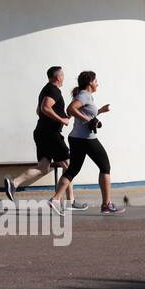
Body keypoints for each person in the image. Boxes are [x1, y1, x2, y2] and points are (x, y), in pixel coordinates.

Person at [4, 66, 86, 209]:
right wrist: (61, 120)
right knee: (69, 165)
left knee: (43, 167)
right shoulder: (53, 90)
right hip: (51, 134)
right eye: (62, 75)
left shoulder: (46, 89)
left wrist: (59, 117)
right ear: (57, 77)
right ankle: (70, 202)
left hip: (42, 131)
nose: (64, 78)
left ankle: (14, 183)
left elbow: (39, 110)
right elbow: (44, 108)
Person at [50, 70, 125, 215]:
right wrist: (88, 120)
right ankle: (106, 205)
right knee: (105, 167)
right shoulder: (84, 95)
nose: (98, 84)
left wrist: (100, 111)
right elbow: (70, 109)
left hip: (77, 138)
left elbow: (84, 113)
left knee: (72, 170)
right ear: (90, 82)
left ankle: (54, 200)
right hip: (86, 139)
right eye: (96, 81)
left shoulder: (86, 96)